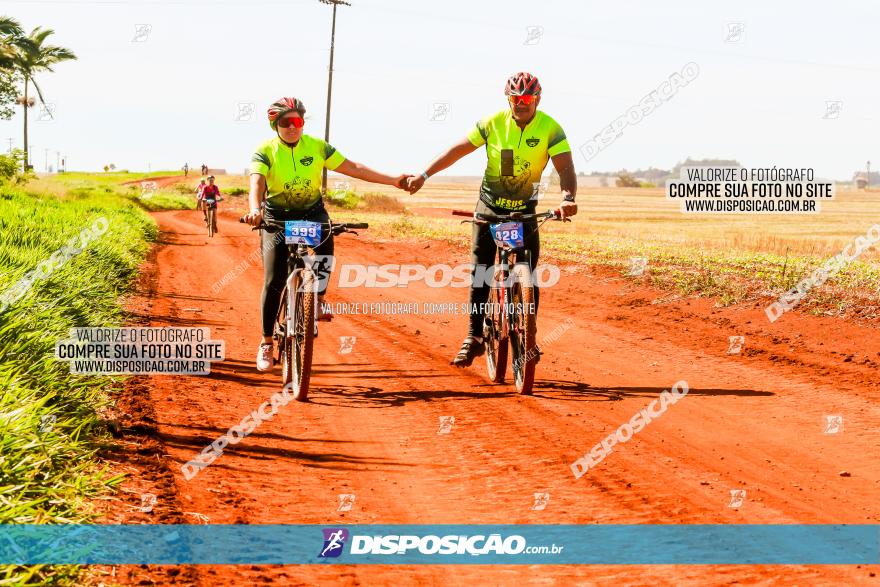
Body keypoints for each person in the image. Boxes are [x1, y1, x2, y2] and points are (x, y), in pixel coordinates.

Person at [406, 72, 578, 367]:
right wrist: (424, 174)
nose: (520, 104)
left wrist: (568, 198)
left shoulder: (551, 128)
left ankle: (528, 335)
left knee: (528, 272)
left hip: (524, 210)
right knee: (481, 271)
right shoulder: (492, 123)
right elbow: (458, 149)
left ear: (537, 99)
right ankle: (473, 336)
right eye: (515, 98)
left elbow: (565, 167)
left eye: (526, 99)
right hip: (489, 208)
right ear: (507, 99)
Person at [243, 96, 412, 372]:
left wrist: (392, 180)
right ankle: (265, 342)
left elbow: (353, 167)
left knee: (327, 238)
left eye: (298, 121)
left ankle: (318, 299)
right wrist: (254, 210)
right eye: (286, 122)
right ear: (275, 125)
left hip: (311, 213)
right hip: (276, 217)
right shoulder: (265, 151)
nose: (293, 127)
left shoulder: (317, 146)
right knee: (274, 279)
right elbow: (256, 184)